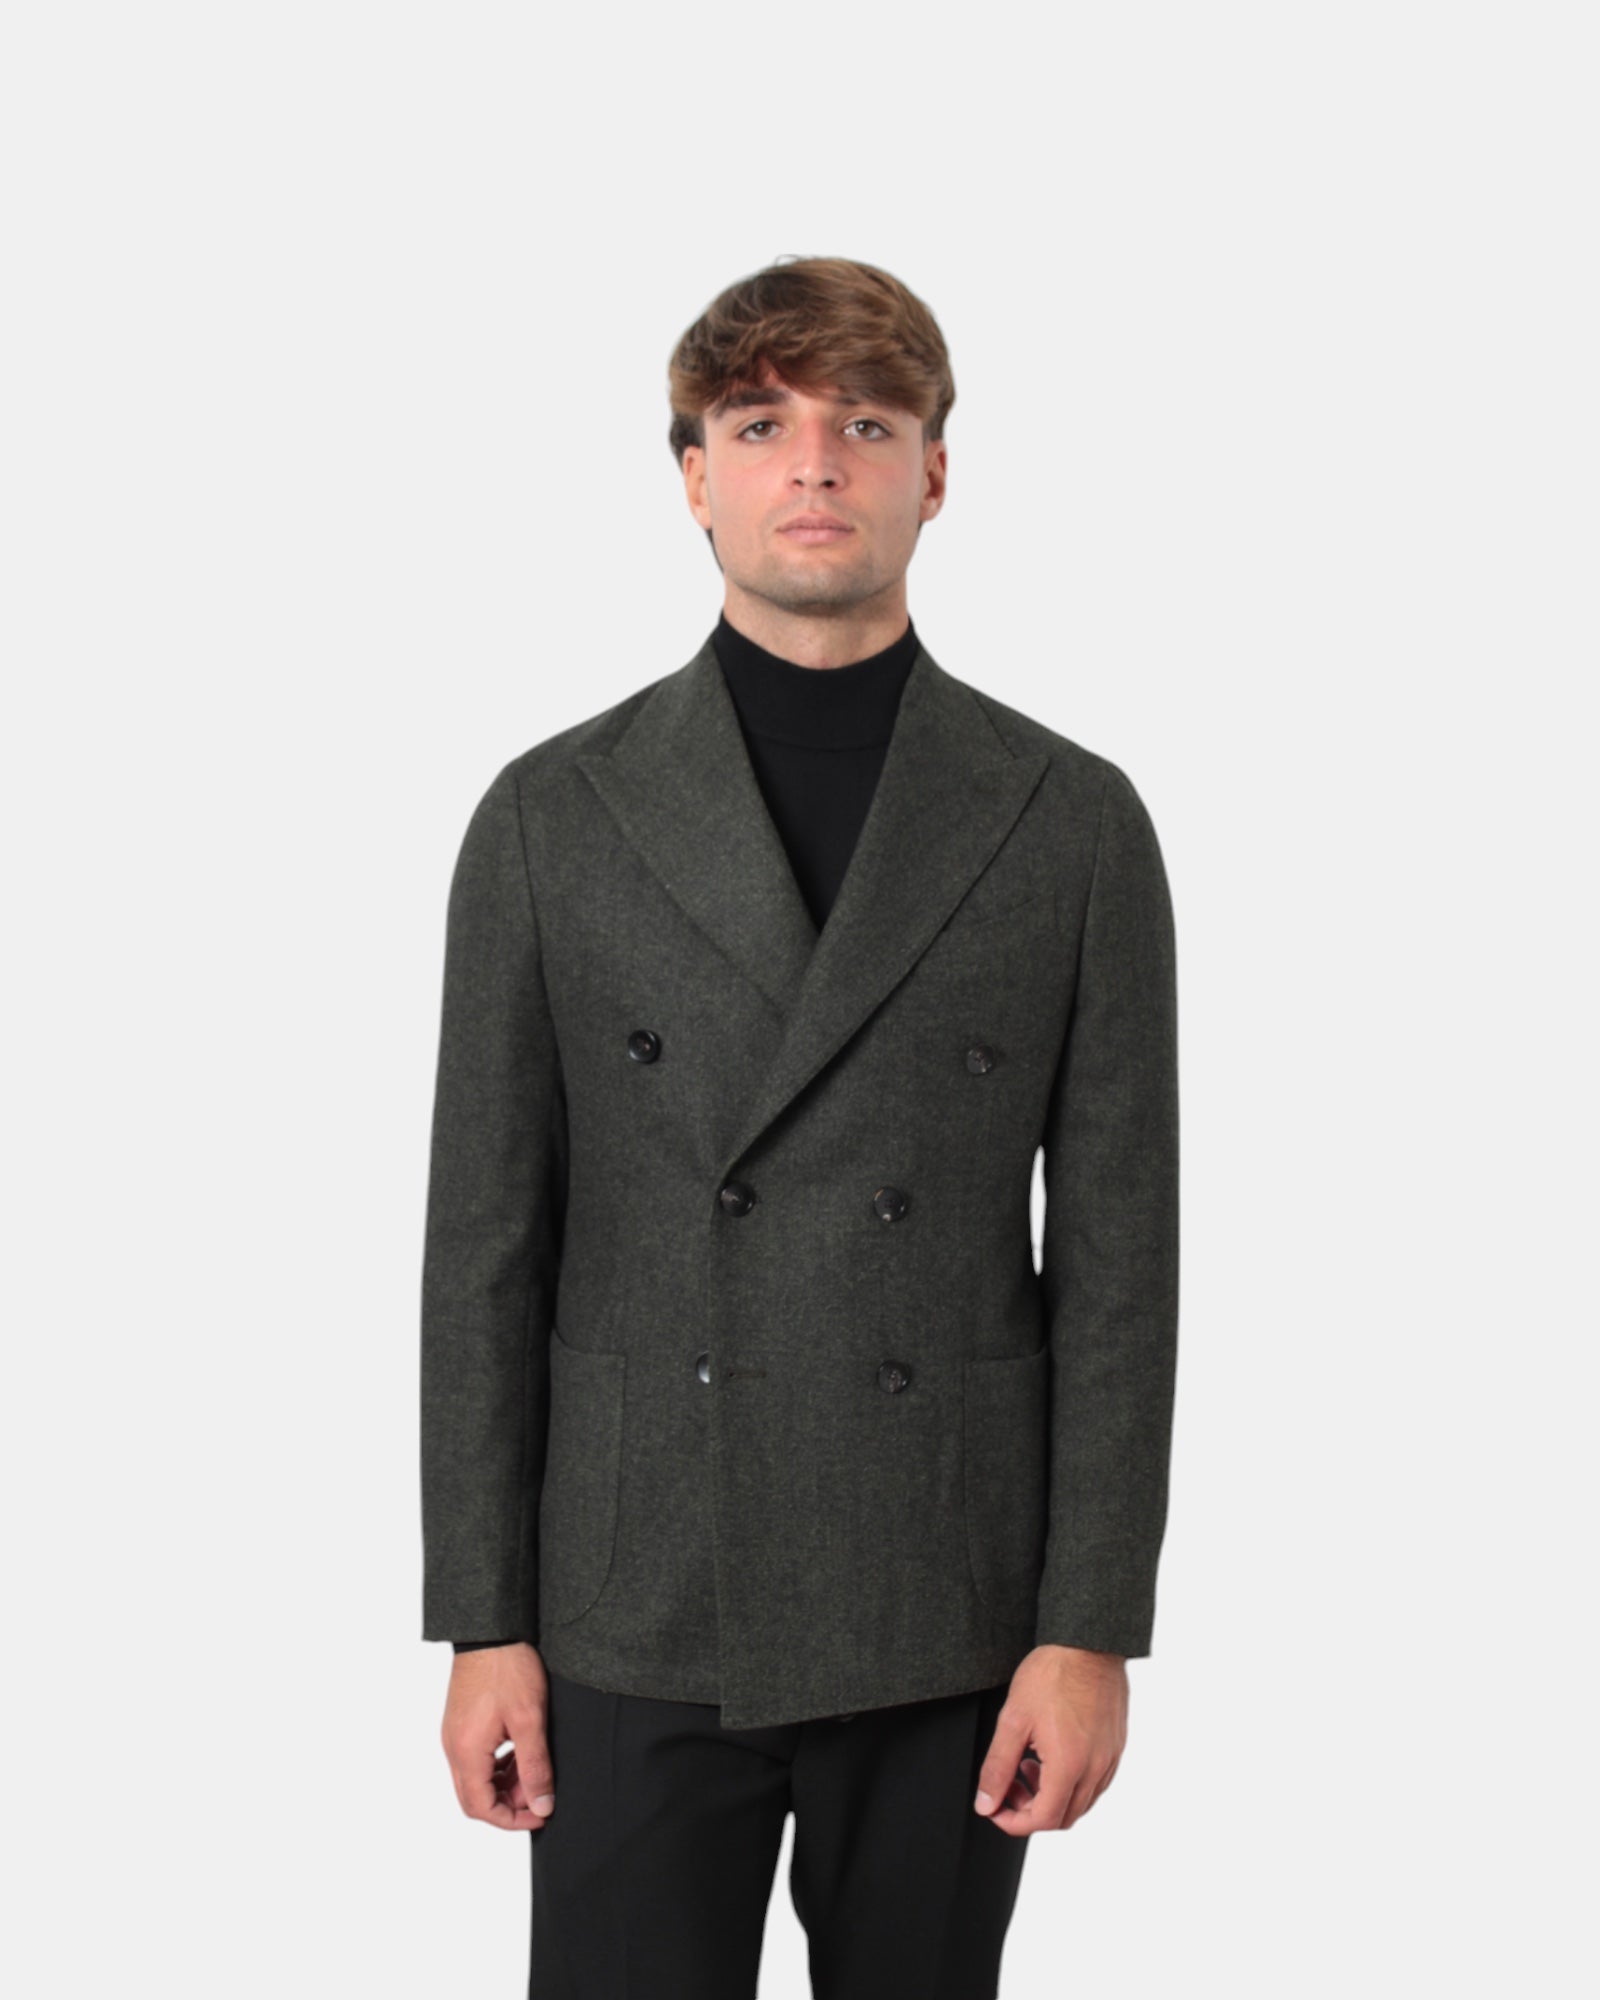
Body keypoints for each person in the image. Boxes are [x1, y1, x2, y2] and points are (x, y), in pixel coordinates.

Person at [420, 254, 1181, 1998]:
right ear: (695, 477)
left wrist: (1088, 1630)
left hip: (949, 1600)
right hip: (634, 1590)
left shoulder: (1072, 823)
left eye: (867, 424)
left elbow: (1122, 1268)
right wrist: (483, 1621)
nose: (817, 463)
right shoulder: (551, 815)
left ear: (936, 471)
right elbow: (483, 1252)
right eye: (761, 426)